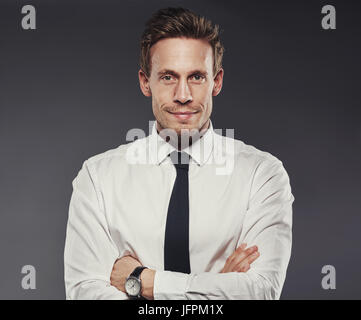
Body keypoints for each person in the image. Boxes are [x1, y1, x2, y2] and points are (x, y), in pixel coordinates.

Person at [64, 7, 294, 300]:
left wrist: (139, 280)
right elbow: (85, 294)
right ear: (145, 82)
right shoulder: (97, 179)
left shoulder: (262, 175)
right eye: (168, 77)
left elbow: (260, 292)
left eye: (196, 77)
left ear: (217, 81)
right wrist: (216, 288)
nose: (183, 95)